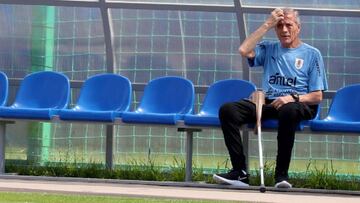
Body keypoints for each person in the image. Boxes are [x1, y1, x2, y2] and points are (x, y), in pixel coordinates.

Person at [213, 8, 328, 188]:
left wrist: (292, 98)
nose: (284, 30)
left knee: (288, 111)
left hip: (298, 103)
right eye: (279, 26)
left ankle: (281, 176)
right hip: (269, 101)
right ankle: (240, 172)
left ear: (298, 27)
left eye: (288, 25)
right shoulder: (268, 48)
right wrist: (267, 24)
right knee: (228, 110)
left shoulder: (312, 54)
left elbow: (317, 96)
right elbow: (244, 50)